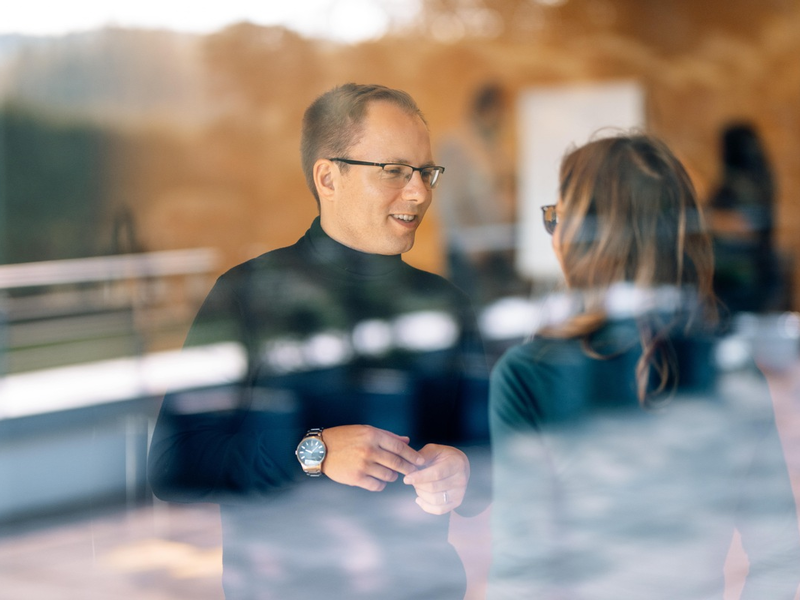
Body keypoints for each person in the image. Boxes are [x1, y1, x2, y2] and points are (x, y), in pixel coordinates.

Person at [148, 83, 488, 599]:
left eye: (425, 172)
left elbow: (490, 458)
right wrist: (314, 451)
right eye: (395, 171)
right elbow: (176, 463)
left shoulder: (445, 304)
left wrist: (463, 469)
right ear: (329, 177)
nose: (419, 192)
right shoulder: (244, 295)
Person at [487, 133, 800, 598]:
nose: (555, 239)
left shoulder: (530, 373)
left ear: (586, 240)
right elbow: (780, 557)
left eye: (558, 219)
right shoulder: (721, 363)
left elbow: (522, 574)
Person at [437, 82, 518, 306]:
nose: (506, 117)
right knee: (475, 320)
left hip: (498, 247)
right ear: (489, 108)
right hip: (471, 252)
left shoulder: (495, 145)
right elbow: (449, 201)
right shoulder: (457, 144)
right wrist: (472, 244)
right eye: (503, 110)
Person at [707, 122, 785, 316]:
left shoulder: (742, 184)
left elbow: (744, 226)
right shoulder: (761, 179)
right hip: (753, 273)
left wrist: (709, 219)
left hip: (741, 276)